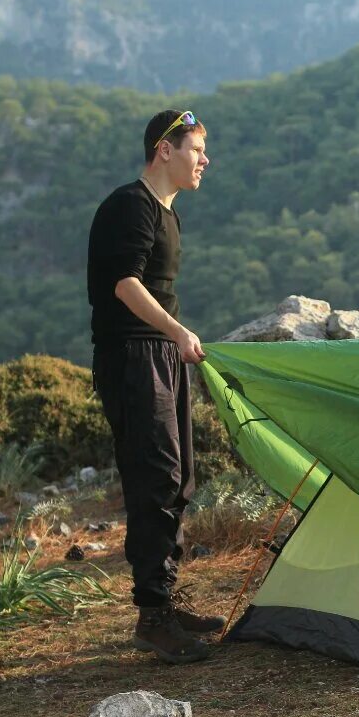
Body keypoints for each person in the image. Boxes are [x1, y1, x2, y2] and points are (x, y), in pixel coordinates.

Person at [87, 109, 222, 664]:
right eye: (195, 149)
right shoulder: (130, 206)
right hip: (133, 356)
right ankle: (153, 616)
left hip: (163, 355)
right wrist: (176, 331)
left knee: (179, 475)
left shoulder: (169, 215)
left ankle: (166, 595)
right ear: (164, 151)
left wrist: (175, 342)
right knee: (154, 476)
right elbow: (124, 285)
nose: (204, 160)